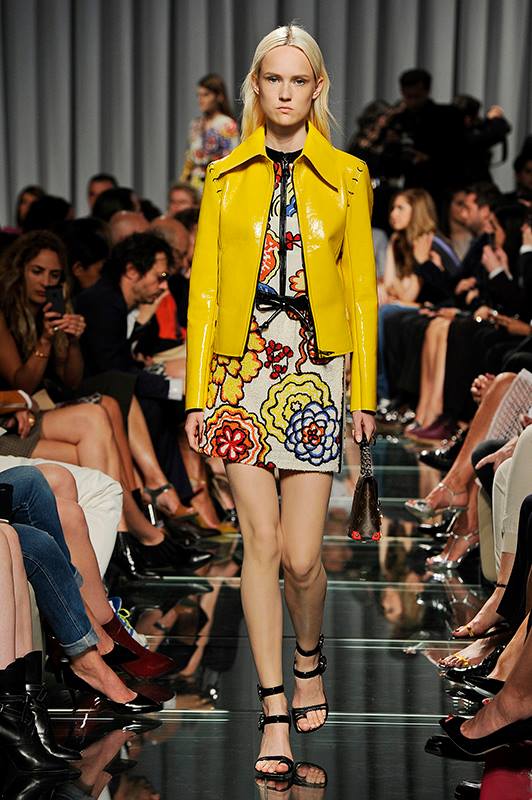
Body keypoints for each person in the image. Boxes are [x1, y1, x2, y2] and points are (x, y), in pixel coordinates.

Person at [185, 24, 377, 781]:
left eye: (300, 80)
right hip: (238, 370)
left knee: (302, 557)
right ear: (256, 87)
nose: (287, 92)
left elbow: (360, 293)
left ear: (317, 88)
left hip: (316, 367)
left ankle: (308, 657)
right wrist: (198, 393)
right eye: (274, 79)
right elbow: (204, 289)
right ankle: (273, 712)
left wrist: (364, 394)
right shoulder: (223, 177)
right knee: (257, 546)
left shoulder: (350, 177)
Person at [179, 73, 239, 194]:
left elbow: (231, 160)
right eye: (199, 95)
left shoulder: (227, 125)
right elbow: (189, 159)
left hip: (216, 186)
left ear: (219, 96)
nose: (200, 100)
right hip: (193, 188)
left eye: (206, 95)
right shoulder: (195, 124)